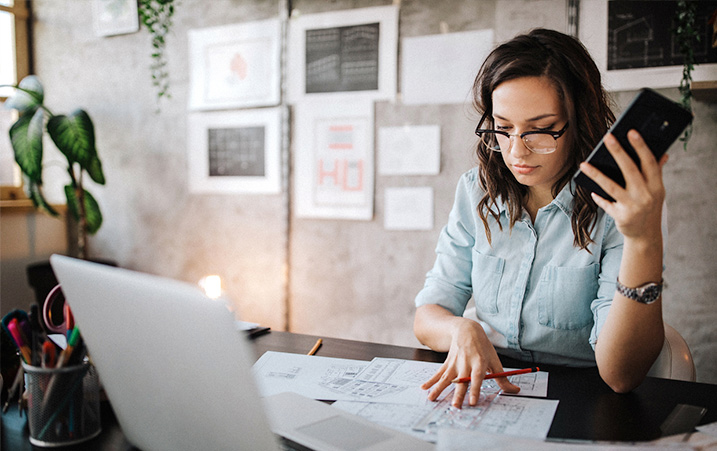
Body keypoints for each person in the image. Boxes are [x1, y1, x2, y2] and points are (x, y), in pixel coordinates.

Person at [413, 28, 667, 408]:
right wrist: (461, 328)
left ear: (579, 121)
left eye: (541, 130)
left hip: (583, 399)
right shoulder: (476, 191)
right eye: (503, 128)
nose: (517, 151)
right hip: (493, 392)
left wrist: (644, 239)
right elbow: (428, 315)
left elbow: (621, 375)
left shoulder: (618, 208)